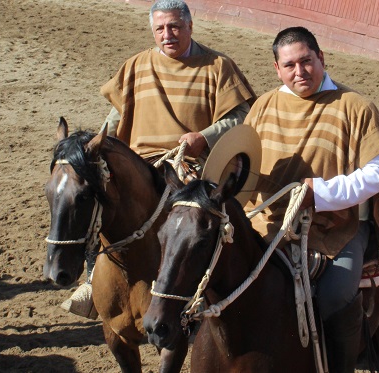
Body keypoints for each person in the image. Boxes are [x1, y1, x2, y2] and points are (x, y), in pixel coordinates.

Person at [63, 0, 256, 319]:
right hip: (136, 162)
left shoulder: (218, 66)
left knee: (196, 226)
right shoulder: (137, 65)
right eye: (160, 29)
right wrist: (98, 148)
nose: (168, 34)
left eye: (175, 27)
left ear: (190, 27)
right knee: (94, 200)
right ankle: (92, 281)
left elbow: (240, 117)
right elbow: (118, 115)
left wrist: (204, 137)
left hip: (187, 167)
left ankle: (201, 294)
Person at [243, 27, 379, 373]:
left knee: (335, 294)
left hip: (337, 226)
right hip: (266, 222)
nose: (300, 72)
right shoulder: (264, 105)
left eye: (306, 61)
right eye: (290, 65)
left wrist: (322, 194)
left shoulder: (355, 107)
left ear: (321, 59)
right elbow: (244, 162)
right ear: (276, 69)